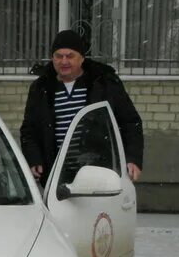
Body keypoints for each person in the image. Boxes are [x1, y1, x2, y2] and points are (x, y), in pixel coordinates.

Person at [20, 29, 143, 189]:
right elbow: (29, 129)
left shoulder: (103, 84)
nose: (64, 61)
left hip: (99, 172)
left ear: (82, 58)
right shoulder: (41, 88)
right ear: (52, 58)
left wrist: (133, 158)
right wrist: (34, 158)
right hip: (56, 176)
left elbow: (130, 123)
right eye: (59, 56)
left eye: (70, 56)